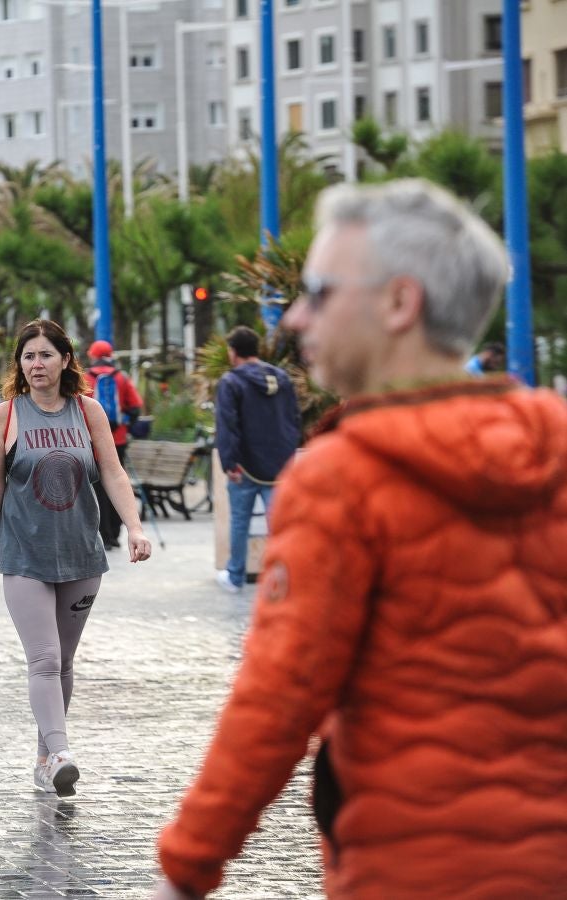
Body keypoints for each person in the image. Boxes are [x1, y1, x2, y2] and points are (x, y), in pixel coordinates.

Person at [153, 179, 567, 899]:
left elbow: (278, 699)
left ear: (399, 303)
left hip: (410, 868)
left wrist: (187, 869)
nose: (295, 317)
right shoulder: (555, 444)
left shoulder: (344, 476)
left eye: (318, 290)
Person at [0, 320, 153, 797]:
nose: (36, 364)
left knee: (64, 662)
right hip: (24, 554)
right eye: (28, 356)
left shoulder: (87, 411)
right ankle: (60, 752)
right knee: (45, 657)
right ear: (20, 364)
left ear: (65, 360)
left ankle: (44, 757)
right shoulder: (6, 415)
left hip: (81, 554)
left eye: (46, 355)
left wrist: (134, 527)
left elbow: (112, 473)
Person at [212, 326, 301, 594]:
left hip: (245, 467)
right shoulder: (282, 378)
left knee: (240, 521)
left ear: (233, 351)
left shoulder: (231, 382)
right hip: (280, 464)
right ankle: (285, 576)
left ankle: (235, 577)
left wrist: (230, 462)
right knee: (280, 524)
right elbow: (294, 419)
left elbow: (228, 425)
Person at [84, 339, 144, 549]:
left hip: (90, 442)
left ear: (93, 355)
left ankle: (103, 534)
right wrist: (123, 426)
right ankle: (116, 534)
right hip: (117, 440)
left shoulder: (83, 378)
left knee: (97, 487)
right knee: (117, 481)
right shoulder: (121, 377)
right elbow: (135, 408)